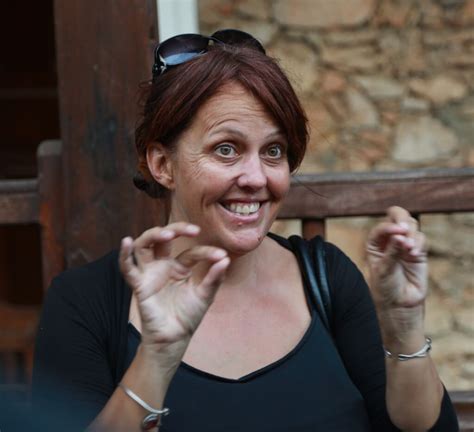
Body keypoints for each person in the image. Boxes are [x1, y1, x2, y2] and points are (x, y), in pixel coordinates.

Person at [32, 29, 459, 431]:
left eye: (273, 151)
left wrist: (404, 325)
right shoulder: (86, 302)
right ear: (162, 164)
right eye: (226, 149)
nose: (256, 177)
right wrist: (157, 357)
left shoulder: (326, 278)